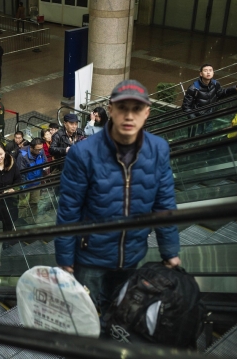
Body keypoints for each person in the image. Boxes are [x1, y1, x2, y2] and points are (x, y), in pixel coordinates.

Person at [55, 80, 181, 315]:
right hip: (90, 256)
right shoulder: (83, 154)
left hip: (131, 253)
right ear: (110, 110)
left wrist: (170, 251)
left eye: (137, 109)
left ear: (147, 113)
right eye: (123, 108)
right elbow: (68, 209)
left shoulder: (158, 149)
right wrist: (65, 258)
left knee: (120, 313)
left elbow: (164, 203)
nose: (129, 116)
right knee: (85, 315)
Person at [182, 63, 237, 136]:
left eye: (210, 70)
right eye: (205, 70)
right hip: (198, 119)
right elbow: (186, 106)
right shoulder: (194, 88)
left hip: (210, 116)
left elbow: (221, 93)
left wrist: (235, 89)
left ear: (213, 73)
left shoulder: (215, 84)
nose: (208, 72)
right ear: (201, 74)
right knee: (195, 139)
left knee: (209, 136)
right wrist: (193, 118)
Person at [17, 137, 47, 218]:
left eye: (41, 149)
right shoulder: (23, 156)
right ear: (31, 148)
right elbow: (20, 173)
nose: (40, 151)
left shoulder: (41, 151)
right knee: (23, 205)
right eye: (37, 149)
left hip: (36, 182)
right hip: (26, 184)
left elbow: (45, 163)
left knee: (34, 203)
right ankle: (22, 223)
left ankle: (32, 220)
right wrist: (23, 187)